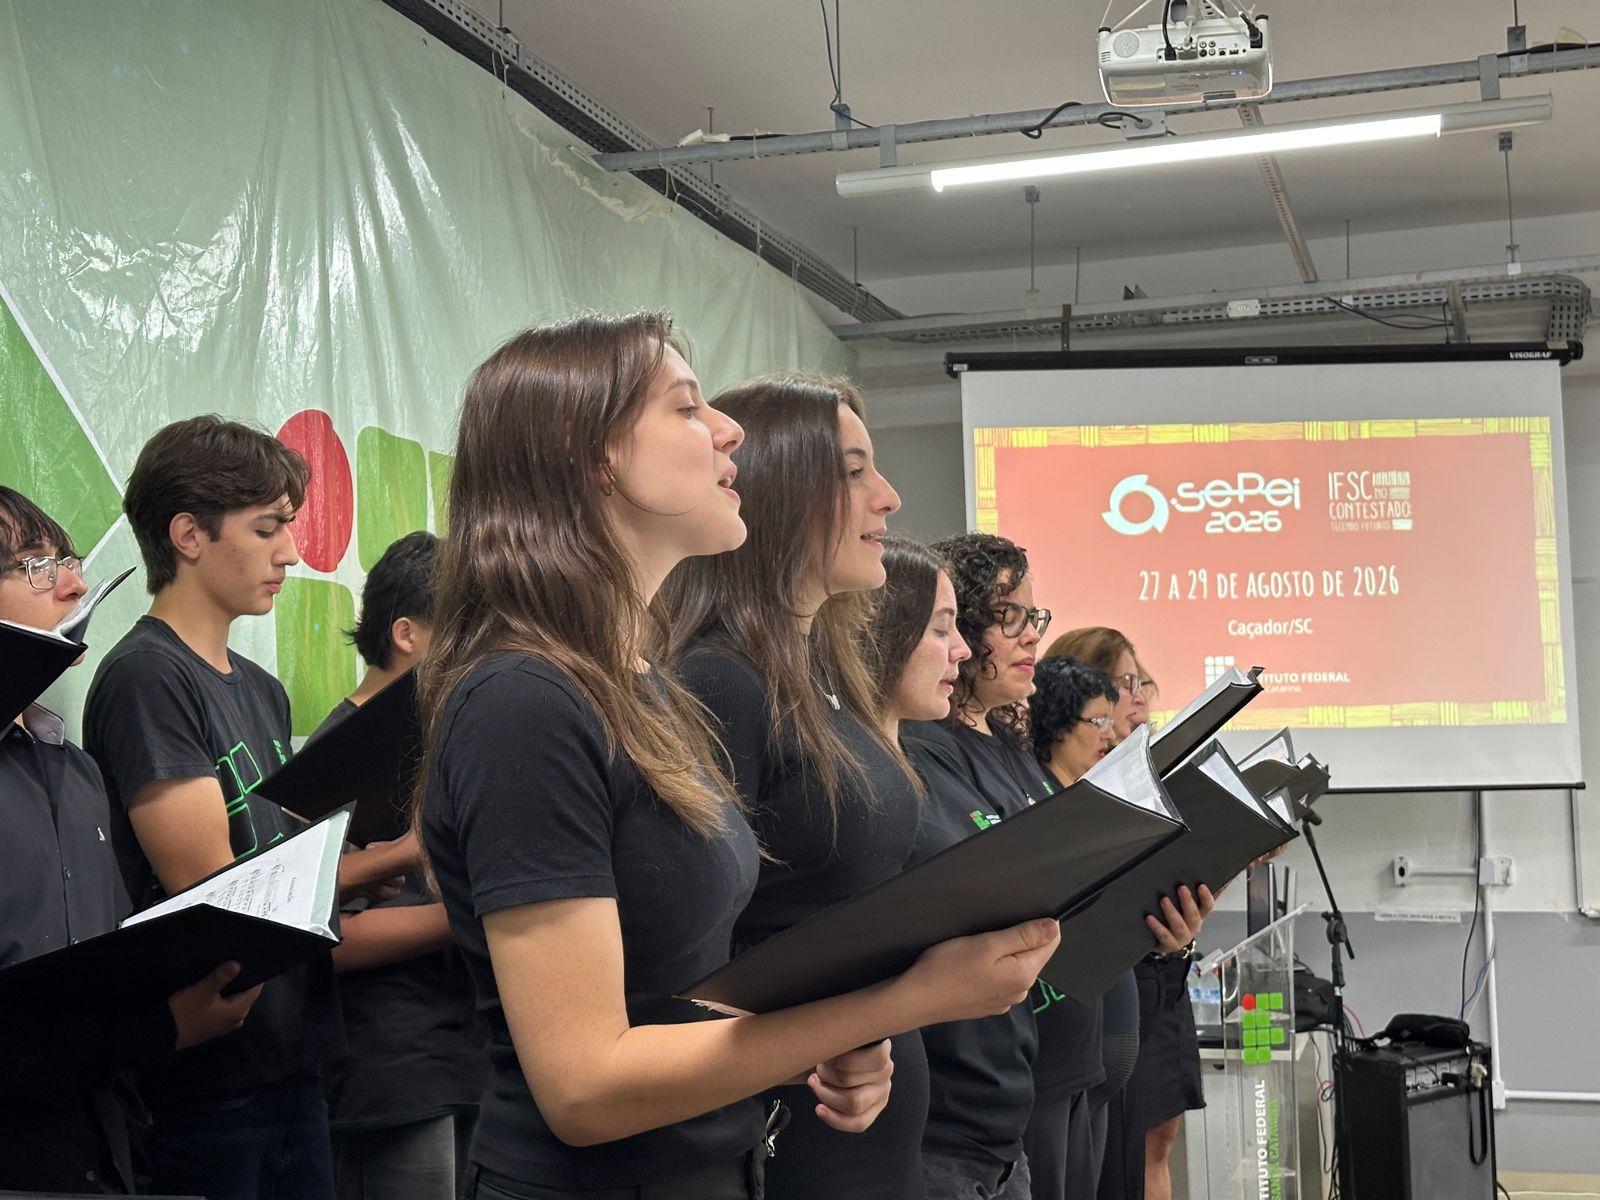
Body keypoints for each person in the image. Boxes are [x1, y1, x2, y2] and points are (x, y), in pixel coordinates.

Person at [413, 313, 1061, 1200]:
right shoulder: (524, 701)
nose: (729, 430)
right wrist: (899, 1004)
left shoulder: (645, 687)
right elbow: (585, 1087)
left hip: (716, 1163)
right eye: (686, 408)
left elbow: (689, 991)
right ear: (588, 452)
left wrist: (818, 1046)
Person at [662, 374, 929, 1199]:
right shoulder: (720, 682)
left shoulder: (817, 677)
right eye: (852, 473)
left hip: (852, 1098)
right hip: (784, 1121)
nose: (885, 499)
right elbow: (697, 945)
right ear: (780, 490)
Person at [84, 416, 359, 1199]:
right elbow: (214, 888)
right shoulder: (146, 675)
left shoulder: (263, 691)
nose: (291, 554)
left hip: (293, 1059)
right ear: (188, 534)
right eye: (269, 529)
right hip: (209, 1079)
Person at [0, 486, 262, 1194]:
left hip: (104, 1159)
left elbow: (103, 976)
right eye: (35, 566)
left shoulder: (77, 771)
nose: (78, 584)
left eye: (70, 562)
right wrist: (165, 1029)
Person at [312, 530, 488, 1200]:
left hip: (470, 1060)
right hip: (391, 1070)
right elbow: (329, 939)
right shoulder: (338, 757)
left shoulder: (452, 743)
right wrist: (476, 912)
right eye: (465, 629)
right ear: (407, 634)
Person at [862, 536, 1037, 1200]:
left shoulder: (928, 759)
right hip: (935, 1130)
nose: (961, 649)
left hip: (996, 1115)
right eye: (943, 629)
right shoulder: (904, 765)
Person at [1045, 628, 1210, 1200]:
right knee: (1125, 1151)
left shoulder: (1146, 773)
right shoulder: (1065, 786)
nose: (1138, 698)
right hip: (1110, 992)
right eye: (1123, 683)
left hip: (1162, 973)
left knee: (1160, 1136)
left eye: (1142, 682)